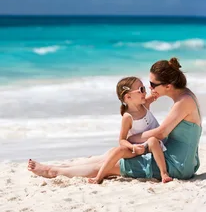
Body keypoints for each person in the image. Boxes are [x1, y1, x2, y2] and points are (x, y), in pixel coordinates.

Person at [27, 58, 202, 182]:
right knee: (111, 154)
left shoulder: (183, 102)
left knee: (112, 165)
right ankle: (64, 166)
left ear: (168, 86)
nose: (149, 88)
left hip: (177, 166)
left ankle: (53, 171)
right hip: (180, 160)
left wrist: (132, 139)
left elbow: (161, 132)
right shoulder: (185, 96)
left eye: (152, 85)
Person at [27, 76, 171, 183]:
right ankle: (52, 170)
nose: (144, 92)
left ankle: (55, 168)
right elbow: (121, 140)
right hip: (138, 148)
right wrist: (133, 148)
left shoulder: (145, 104)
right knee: (106, 157)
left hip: (151, 146)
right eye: (141, 90)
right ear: (128, 97)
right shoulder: (128, 117)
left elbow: (158, 93)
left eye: (144, 88)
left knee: (102, 159)